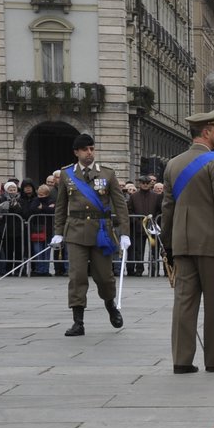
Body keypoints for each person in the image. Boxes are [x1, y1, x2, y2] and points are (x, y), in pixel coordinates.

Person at [161, 108, 214, 374]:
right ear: (207, 132)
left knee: (184, 303)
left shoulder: (173, 164)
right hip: (211, 244)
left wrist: (169, 244)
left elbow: (167, 208)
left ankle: (182, 360)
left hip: (183, 244)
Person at [51, 132, 129, 335]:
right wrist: (58, 232)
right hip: (75, 231)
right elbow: (61, 206)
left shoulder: (107, 174)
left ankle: (111, 306)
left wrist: (124, 233)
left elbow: (120, 206)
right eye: (85, 149)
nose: (89, 153)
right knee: (77, 277)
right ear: (76, 152)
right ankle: (78, 322)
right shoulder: (67, 174)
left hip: (101, 231)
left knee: (104, 277)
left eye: (92, 149)